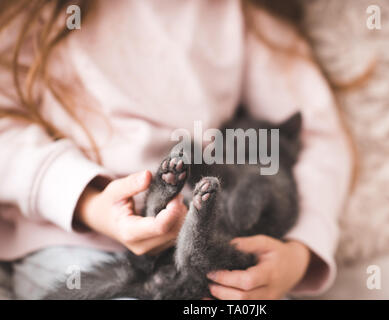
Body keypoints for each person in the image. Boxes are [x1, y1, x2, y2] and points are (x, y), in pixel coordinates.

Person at [0, 0, 352, 299]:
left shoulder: (238, 16)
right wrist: (91, 205)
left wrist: (298, 254)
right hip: (71, 241)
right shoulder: (36, 16)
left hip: (205, 246)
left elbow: (315, 140)